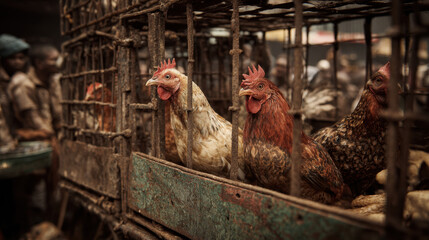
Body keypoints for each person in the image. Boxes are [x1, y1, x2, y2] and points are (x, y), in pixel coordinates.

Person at [0, 34, 30, 151]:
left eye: (21, 58)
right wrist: (8, 144)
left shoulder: (12, 80)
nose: (17, 62)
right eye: (12, 58)